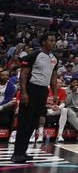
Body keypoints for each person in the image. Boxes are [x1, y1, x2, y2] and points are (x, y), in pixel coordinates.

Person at [12, 32, 58, 163]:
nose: (53, 43)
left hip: (43, 91)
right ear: (43, 42)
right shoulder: (34, 55)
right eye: (51, 40)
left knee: (33, 123)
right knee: (24, 122)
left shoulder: (54, 59)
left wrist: (54, 94)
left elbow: (54, 79)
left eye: (54, 40)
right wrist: (24, 93)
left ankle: (23, 152)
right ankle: (17, 154)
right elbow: (23, 75)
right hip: (31, 89)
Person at [58, 78, 78, 142]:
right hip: (68, 107)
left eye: (76, 83)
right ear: (70, 83)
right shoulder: (65, 90)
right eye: (74, 82)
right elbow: (66, 103)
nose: (75, 84)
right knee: (72, 114)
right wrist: (72, 93)